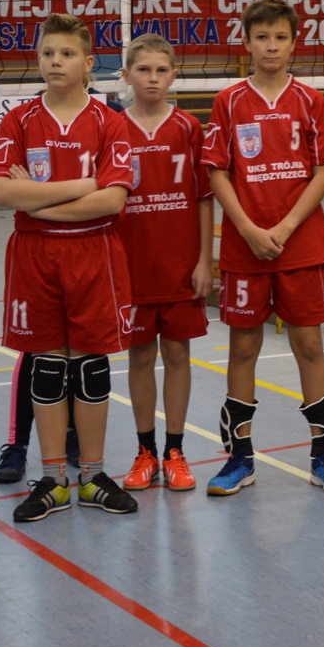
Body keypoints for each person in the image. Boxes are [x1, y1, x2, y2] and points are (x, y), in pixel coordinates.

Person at [0, 13, 139, 522]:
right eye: (48, 53)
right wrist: (83, 186)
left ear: (88, 63)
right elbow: (2, 191)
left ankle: (92, 475)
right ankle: (53, 479)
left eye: (67, 54)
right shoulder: (18, 119)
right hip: (35, 257)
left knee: (91, 367)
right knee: (48, 367)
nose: (56, 61)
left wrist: (37, 200)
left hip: (94, 255)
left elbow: (113, 201)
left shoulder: (109, 121)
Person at [201, 0, 324, 496]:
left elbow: (323, 171)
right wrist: (247, 229)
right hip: (245, 248)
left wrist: (285, 228)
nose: (271, 46)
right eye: (262, 37)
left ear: (294, 43)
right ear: (246, 42)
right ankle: (238, 459)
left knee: (309, 345)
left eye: (280, 37)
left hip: (300, 245)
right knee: (243, 347)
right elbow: (218, 172)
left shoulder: (310, 100)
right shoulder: (229, 101)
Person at [117, 34, 212, 493]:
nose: (152, 79)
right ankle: (145, 452)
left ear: (174, 75)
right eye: (143, 70)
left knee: (177, 354)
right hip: (132, 267)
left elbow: (204, 197)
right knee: (139, 356)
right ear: (126, 75)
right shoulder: (113, 129)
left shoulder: (189, 128)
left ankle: (175, 451)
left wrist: (205, 260)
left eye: (161, 70)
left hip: (180, 265)